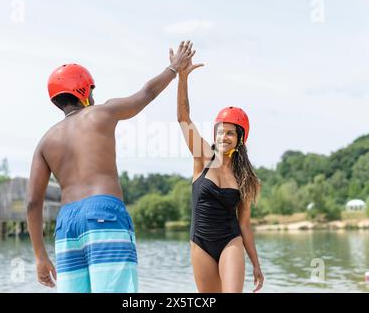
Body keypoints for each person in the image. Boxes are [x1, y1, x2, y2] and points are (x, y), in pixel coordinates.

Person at [26, 41, 195, 293]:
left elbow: (32, 202)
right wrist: (173, 68)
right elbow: (146, 93)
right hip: (103, 214)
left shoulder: (45, 141)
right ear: (83, 90)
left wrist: (40, 256)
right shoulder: (103, 112)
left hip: (66, 225)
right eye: (91, 90)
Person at [176, 52, 264, 293]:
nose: (223, 137)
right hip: (200, 242)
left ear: (240, 139)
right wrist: (182, 77)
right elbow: (184, 118)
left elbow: (244, 224)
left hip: (230, 240)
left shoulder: (245, 177)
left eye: (230, 133)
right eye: (220, 132)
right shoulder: (203, 157)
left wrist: (256, 264)